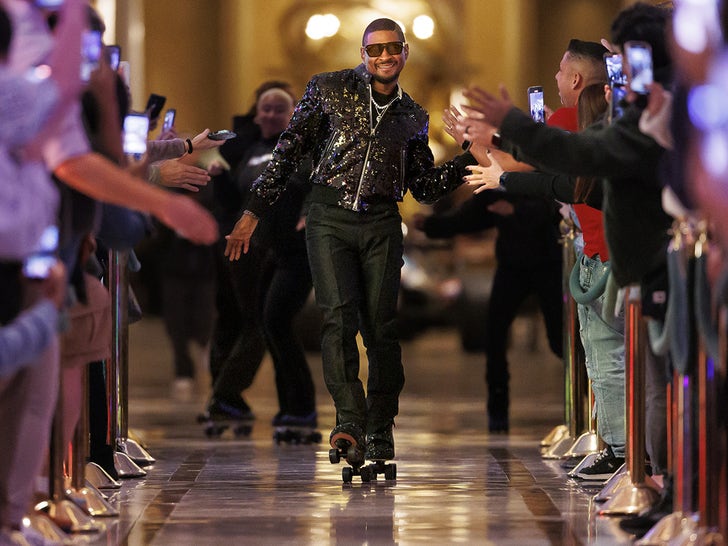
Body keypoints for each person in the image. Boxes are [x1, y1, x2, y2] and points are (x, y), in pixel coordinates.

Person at [224, 18, 476, 463]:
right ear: (363, 54)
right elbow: (288, 152)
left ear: (404, 53)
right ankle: (349, 422)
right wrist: (252, 211)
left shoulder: (414, 117)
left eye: (392, 48)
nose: (384, 57)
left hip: (381, 221)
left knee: (381, 327)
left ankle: (380, 427)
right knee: (338, 319)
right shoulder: (327, 89)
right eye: (375, 49)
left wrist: (470, 152)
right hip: (328, 216)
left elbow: (426, 188)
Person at [458, 0, 672, 501]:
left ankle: (640, 466)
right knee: (618, 363)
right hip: (624, 257)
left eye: (622, 57)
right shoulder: (633, 111)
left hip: (640, 261)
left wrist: (505, 136)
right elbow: (572, 173)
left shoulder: (642, 113)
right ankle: (638, 463)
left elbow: (572, 167)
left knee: (634, 369)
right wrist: (496, 148)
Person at [200, 83, 319, 437]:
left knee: (271, 322)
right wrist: (219, 181)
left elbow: (318, 184)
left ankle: (288, 405)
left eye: (278, 109)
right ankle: (287, 408)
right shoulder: (252, 150)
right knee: (261, 323)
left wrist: (310, 210)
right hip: (258, 250)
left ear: (293, 114)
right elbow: (241, 200)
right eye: (264, 109)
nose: (269, 115)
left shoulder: (304, 150)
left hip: (293, 251)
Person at [413, 181, 563, 434]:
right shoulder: (497, 184)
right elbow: (471, 216)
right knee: (494, 338)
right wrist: (430, 226)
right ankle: (497, 411)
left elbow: (556, 206)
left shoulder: (540, 169)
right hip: (512, 267)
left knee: (559, 340)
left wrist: (516, 212)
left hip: (549, 265)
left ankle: (584, 406)